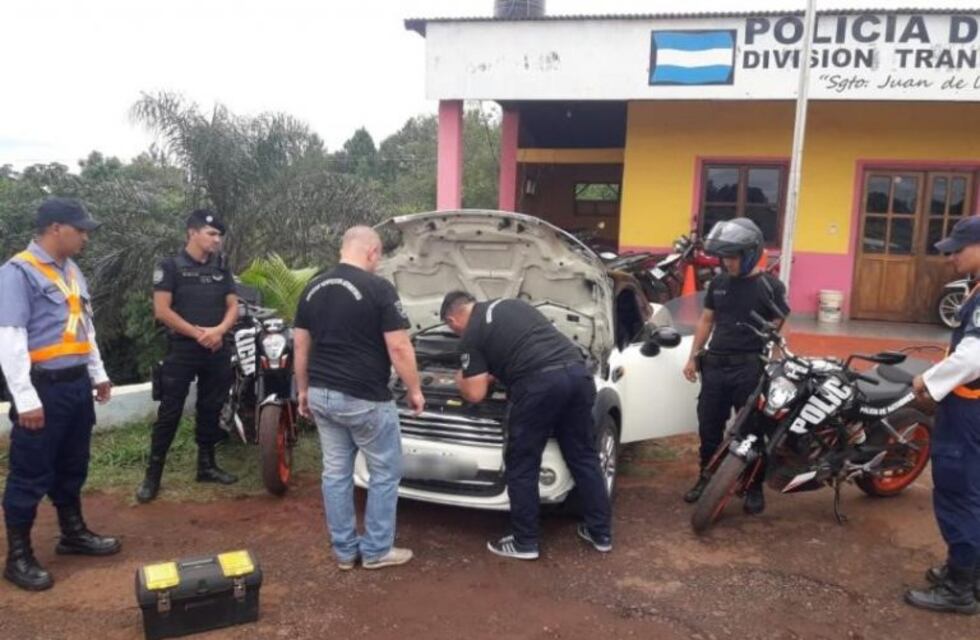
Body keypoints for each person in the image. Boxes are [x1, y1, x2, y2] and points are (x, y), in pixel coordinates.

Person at [0, 197, 119, 591]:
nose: (85, 237)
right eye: (79, 230)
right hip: (43, 389)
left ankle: (72, 533)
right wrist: (25, 399)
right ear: (55, 228)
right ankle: (18, 557)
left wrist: (97, 373)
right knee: (30, 471)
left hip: (76, 386)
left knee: (73, 463)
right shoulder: (17, 273)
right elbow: (10, 339)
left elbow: (85, 327)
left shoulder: (72, 271)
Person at [440, 291, 612, 560]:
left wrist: (460, 379)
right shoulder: (512, 304)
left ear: (452, 320)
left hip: (539, 386)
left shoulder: (471, 335)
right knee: (583, 455)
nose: (456, 334)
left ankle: (525, 542)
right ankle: (600, 534)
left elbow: (475, 394)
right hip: (577, 375)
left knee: (522, 462)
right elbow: (523, 347)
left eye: (452, 329)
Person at [294, 226, 424, 571]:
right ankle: (377, 550)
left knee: (336, 474)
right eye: (378, 257)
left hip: (321, 394)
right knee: (385, 472)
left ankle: (344, 553)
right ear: (372, 252)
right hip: (364, 397)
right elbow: (399, 347)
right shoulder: (378, 288)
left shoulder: (312, 287)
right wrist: (414, 389)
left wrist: (303, 390)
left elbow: (301, 346)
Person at [681, 218, 789, 515]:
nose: (726, 262)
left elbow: (779, 325)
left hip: (749, 368)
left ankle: (753, 487)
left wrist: (776, 365)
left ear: (750, 254)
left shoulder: (771, 286)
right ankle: (707, 479)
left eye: (732, 257)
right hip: (715, 366)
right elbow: (706, 320)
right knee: (709, 430)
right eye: (724, 257)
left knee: (752, 431)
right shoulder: (718, 283)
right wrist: (693, 356)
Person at [135, 209, 239, 503]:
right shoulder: (170, 266)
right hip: (182, 349)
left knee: (211, 407)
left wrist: (218, 331)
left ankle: (206, 466)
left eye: (219, 235)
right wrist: (198, 334)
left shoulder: (221, 266)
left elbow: (233, 306)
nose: (217, 240)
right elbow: (162, 310)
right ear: (192, 233)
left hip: (216, 348)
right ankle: (152, 476)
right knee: (170, 411)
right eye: (211, 234)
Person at [906, 216, 980, 615]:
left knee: (957, 492)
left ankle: (959, 589)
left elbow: (973, 357)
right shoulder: (976, 288)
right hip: (971, 406)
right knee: (972, 491)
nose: (951, 257)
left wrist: (928, 380)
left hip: (967, 409)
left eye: (958, 249)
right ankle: (968, 571)